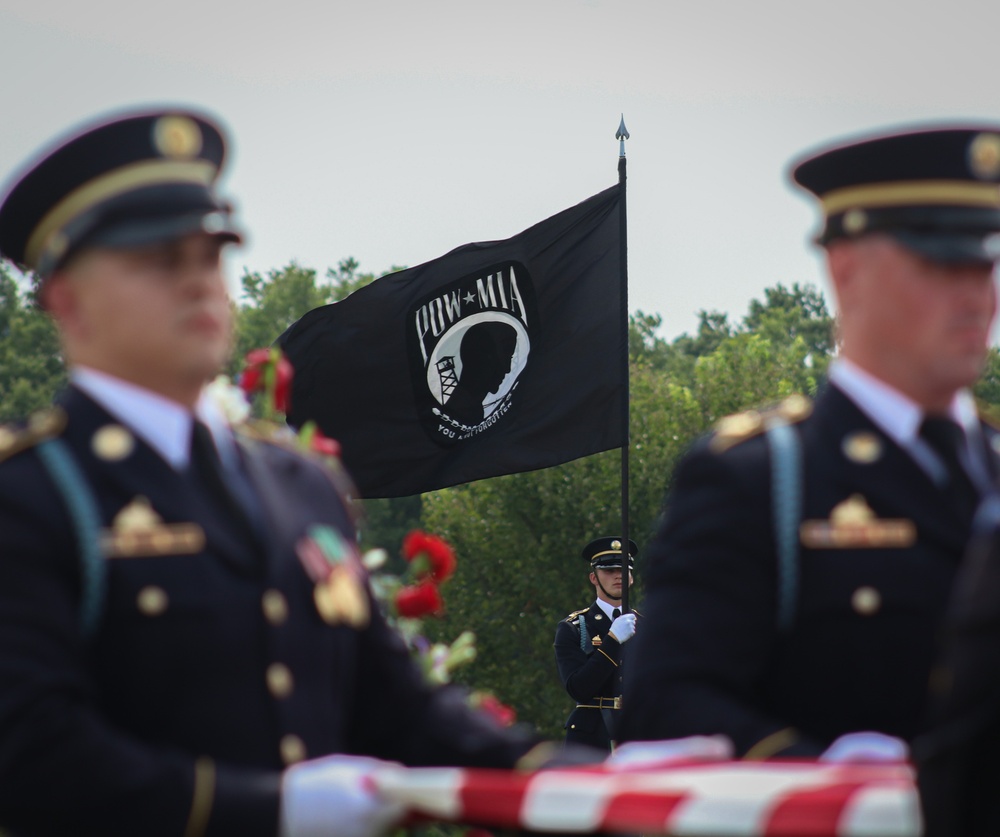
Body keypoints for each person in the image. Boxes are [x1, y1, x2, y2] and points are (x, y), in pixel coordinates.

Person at [0, 107, 561, 837]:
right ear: (65, 299)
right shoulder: (31, 494)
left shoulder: (299, 481)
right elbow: (32, 756)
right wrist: (272, 811)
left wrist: (577, 777)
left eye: (210, 256)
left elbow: (397, 709)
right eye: (160, 260)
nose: (199, 283)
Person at [617, 124, 1000, 762]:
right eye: (938, 262)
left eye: (983, 264)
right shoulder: (763, 477)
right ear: (845, 272)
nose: (974, 296)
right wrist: (822, 775)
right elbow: (665, 708)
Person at [554, 537, 638, 751]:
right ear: (594, 577)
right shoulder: (575, 627)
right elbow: (579, 688)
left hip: (639, 732)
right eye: (609, 571)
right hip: (592, 737)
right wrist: (612, 641)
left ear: (631, 578)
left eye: (623, 570)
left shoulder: (648, 626)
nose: (618, 575)